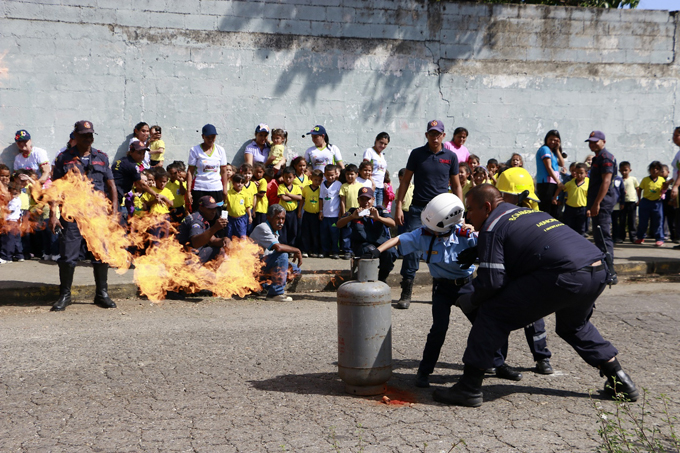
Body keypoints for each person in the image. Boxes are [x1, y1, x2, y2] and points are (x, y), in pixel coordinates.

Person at [432, 184, 637, 408]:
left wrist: (469, 300)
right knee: (574, 326)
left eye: (470, 209)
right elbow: (530, 243)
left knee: (491, 313)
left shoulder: (493, 226)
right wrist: (481, 248)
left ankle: (469, 388)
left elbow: (492, 282)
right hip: (597, 270)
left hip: (564, 275)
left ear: (487, 206)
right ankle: (621, 381)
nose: (467, 216)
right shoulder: (529, 212)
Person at [378, 193, 523, 387]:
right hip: (442, 288)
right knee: (438, 329)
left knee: (486, 324)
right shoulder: (425, 233)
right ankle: (424, 372)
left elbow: (492, 242)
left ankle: (498, 364)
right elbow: (399, 240)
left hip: (467, 286)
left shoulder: (465, 234)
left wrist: (476, 234)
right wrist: (377, 250)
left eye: (433, 228)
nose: (428, 231)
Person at [49, 120, 118, 312]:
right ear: (75, 136)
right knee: (68, 256)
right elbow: (55, 188)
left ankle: (102, 294)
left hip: (97, 215)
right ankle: (65, 295)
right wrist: (53, 215)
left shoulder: (101, 157)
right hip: (72, 214)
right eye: (84, 134)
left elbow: (111, 186)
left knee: (100, 254)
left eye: (91, 135)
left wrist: (114, 213)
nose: (89, 138)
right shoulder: (64, 158)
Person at [394, 119, 463, 309]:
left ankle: (440, 292)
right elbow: (406, 181)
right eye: (432, 133)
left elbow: (456, 185)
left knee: (443, 249)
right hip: (418, 209)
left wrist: (461, 211)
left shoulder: (450, 156)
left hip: (443, 211)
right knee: (412, 248)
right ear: (427, 135)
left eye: (438, 133)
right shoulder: (417, 154)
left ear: (443, 135)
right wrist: (399, 205)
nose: (435, 137)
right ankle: (406, 291)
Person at [337, 187, 396, 282]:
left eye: (368, 199)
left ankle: (382, 278)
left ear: (373, 199)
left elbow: (392, 223)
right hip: (362, 244)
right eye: (362, 199)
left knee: (390, 252)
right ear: (358, 200)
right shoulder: (353, 211)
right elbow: (339, 224)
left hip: (380, 243)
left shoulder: (379, 210)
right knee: (368, 251)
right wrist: (352, 217)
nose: (365, 202)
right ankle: (367, 279)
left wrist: (378, 218)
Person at [250, 204, 302, 302]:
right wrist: (297, 250)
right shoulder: (263, 228)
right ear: (269, 218)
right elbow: (278, 248)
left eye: (283, 219)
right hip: (253, 268)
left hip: (263, 266)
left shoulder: (275, 232)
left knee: (295, 269)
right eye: (278, 218)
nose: (281, 222)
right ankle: (275, 293)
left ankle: (266, 287)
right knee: (283, 255)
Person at [585, 130, 618, 281]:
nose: (592, 144)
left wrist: (597, 203)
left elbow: (606, 181)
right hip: (596, 202)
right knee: (598, 236)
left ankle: (610, 272)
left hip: (602, 203)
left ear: (603, 142)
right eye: (590, 141)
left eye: (596, 141)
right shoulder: (597, 158)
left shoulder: (606, 157)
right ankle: (603, 270)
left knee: (603, 236)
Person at [112, 141, 171, 225]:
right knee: (118, 224)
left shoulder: (121, 161)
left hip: (113, 194)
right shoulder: (132, 165)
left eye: (143, 153)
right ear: (131, 152)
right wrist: (156, 194)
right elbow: (142, 184)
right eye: (139, 153)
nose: (142, 156)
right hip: (115, 196)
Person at [186, 124, 229, 213]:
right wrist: (189, 192)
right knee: (199, 215)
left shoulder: (220, 150)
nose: (210, 139)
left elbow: (224, 171)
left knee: (216, 216)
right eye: (208, 137)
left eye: (213, 137)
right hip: (199, 188)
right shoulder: (195, 150)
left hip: (216, 188)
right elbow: (190, 171)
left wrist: (225, 190)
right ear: (203, 136)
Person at [177, 195, 229, 263]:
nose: (213, 211)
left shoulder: (204, 218)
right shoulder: (196, 220)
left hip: (196, 253)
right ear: (201, 208)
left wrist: (224, 240)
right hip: (185, 257)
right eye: (210, 209)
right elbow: (196, 243)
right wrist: (215, 228)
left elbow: (212, 241)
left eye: (214, 208)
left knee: (220, 250)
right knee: (208, 274)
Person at [635, 161, 667, 246]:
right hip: (645, 202)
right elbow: (639, 189)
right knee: (643, 221)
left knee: (658, 221)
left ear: (660, 171)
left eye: (657, 169)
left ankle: (659, 238)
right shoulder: (645, 179)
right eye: (653, 169)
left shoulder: (661, 180)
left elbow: (664, 189)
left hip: (657, 202)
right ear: (649, 170)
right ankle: (640, 237)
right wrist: (639, 199)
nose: (655, 171)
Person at [535, 130, 565, 218]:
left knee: (553, 208)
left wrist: (558, 150)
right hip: (546, 183)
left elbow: (562, 164)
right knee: (546, 208)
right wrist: (558, 182)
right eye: (550, 139)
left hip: (553, 183)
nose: (552, 142)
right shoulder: (545, 149)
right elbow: (548, 167)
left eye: (555, 140)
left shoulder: (553, 152)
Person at [553, 163, 589, 236]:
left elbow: (591, 196)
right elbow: (561, 188)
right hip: (570, 209)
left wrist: (590, 209)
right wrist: (555, 198)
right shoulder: (570, 182)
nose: (579, 175)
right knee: (569, 226)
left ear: (586, 173)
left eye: (581, 173)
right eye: (577, 173)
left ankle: (580, 243)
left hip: (582, 209)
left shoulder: (589, 182)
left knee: (581, 228)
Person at [298, 169, 323, 258]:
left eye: (319, 180)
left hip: (316, 215)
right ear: (311, 178)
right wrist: (299, 211)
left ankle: (315, 250)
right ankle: (305, 249)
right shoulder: (306, 188)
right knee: (305, 233)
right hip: (307, 213)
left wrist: (321, 212)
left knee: (315, 233)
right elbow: (302, 200)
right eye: (315, 180)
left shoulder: (321, 189)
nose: (317, 182)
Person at [319, 164, 342, 259]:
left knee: (335, 235)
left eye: (332, 175)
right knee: (324, 234)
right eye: (328, 175)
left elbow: (341, 199)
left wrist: (340, 212)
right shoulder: (322, 185)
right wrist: (320, 211)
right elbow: (321, 199)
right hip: (325, 215)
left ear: (336, 174)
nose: (330, 177)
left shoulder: (338, 184)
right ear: (324, 174)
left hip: (335, 215)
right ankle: (325, 251)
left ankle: (335, 251)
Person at [277, 167, 303, 245]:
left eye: (290, 177)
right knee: (283, 230)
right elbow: (283, 198)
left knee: (293, 230)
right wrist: (294, 197)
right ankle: (283, 246)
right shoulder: (281, 186)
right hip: (283, 212)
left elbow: (300, 197)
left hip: (293, 212)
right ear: (283, 177)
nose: (288, 179)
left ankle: (291, 246)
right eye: (286, 177)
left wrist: (288, 194)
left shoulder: (296, 187)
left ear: (294, 177)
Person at [363, 132, 390, 207]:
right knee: (371, 209)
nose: (382, 146)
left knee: (379, 211)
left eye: (385, 144)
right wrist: (372, 181)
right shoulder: (369, 151)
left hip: (380, 187)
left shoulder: (382, 155)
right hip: (371, 186)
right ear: (376, 140)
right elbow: (365, 168)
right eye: (381, 143)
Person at [0, 181, 23, 264]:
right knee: (16, 240)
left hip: (10, 222)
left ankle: (6, 257)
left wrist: (3, 208)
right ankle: (19, 255)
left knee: (8, 240)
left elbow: (10, 211)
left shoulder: (14, 201)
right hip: (15, 222)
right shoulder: (17, 199)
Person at [224, 173, 252, 239]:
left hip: (241, 219)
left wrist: (250, 216)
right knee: (229, 235)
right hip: (230, 219)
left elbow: (247, 207)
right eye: (238, 182)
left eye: (242, 183)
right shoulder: (228, 193)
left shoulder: (245, 194)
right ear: (233, 183)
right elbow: (224, 204)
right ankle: (230, 248)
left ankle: (242, 248)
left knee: (242, 236)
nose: (240, 184)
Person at [618, 161, 638, 244]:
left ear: (630, 170)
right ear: (619, 171)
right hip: (622, 203)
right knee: (622, 220)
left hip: (631, 202)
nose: (624, 172)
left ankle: (633, 237)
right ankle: (621, 237)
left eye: (626, 170)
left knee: (632, 220)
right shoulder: (618, 180)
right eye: (622, 170)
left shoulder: (633, 179)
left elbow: (637, 188)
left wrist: (639, 199)